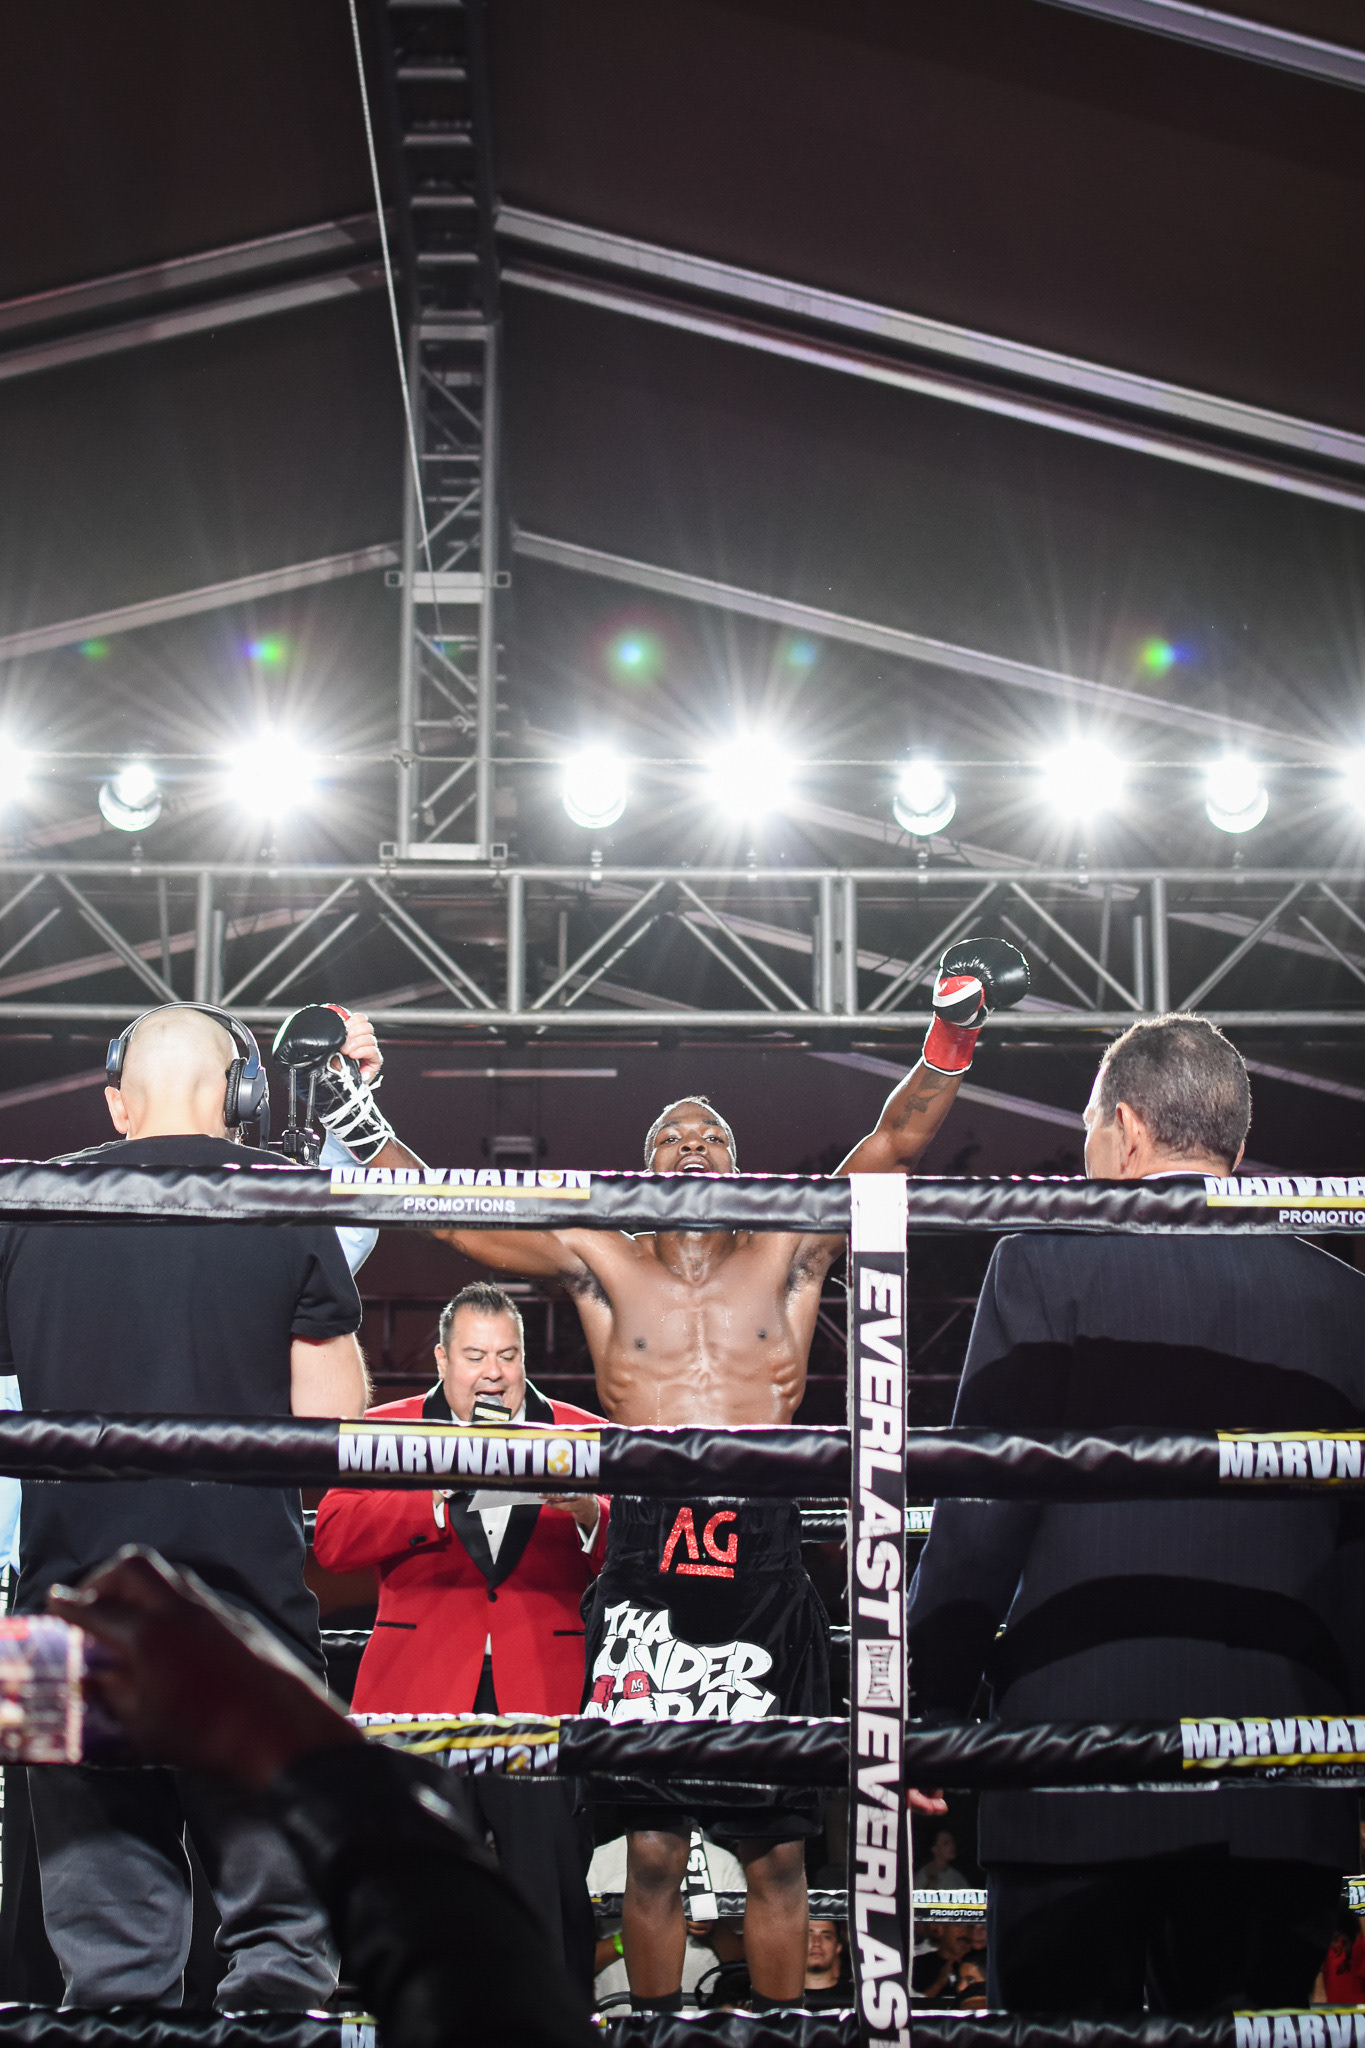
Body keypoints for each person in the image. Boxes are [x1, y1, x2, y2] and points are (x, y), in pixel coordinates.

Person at [330, 937, 1029, 2011]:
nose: (692, 1143)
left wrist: (952, 1033)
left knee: (777, 1854)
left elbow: (896, 1136)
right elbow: (457, 1214)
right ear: (646, 1165)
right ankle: (655, 2037)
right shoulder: (600, 1257)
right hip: (647, 1562)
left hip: (763, 1563)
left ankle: (785, 2036)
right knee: (652, 1852)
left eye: (711, 1134)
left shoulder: (791, 1244)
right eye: (671, 1134)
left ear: (737, 1165)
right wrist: (360, 1119)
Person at [905, 1012, 1365, 2015]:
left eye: (1086, 1127)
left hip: (1078, 1760)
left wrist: (928, 1701)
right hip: (1283, 1771)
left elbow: (986, 1499)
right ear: (1233, 1142)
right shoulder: (1343, 1299)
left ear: (1125, 1127)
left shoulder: (1046, 1262)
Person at [0, 1004, 370, 2010]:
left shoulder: (27, 1198)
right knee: (283, 1959)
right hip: (244, 1609)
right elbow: (332, 1420)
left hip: (61, 1617)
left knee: (106, 1970)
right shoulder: (280, 1193)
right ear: (239, 1095)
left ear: (116, 1104)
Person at [47, 1548, 594, 2048]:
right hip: (87, 1617)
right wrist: (311, 1748)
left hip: (525, 1692)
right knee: (127, 1968)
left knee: (273, 1962)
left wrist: (300, 1740)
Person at [314, 1281, 608, 2001]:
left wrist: (586, 1511)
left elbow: (637, 1554)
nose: (493, 1373)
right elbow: (332, 1540)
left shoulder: (577, 1431)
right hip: (416, 1692)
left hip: (542, 1696)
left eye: (507, 1355)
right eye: (475, 1356)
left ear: (524, 1358)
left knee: (548, 1895)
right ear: (443, 1359)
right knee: (411, 1892)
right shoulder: (387, 1430)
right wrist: (433, 1496)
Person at [802, 1918, 848, 2010]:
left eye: (826, 1937)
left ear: (838, 1947)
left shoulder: (859, 1999)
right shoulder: (778, 2001)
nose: (817, 1943)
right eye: (808, 1935)